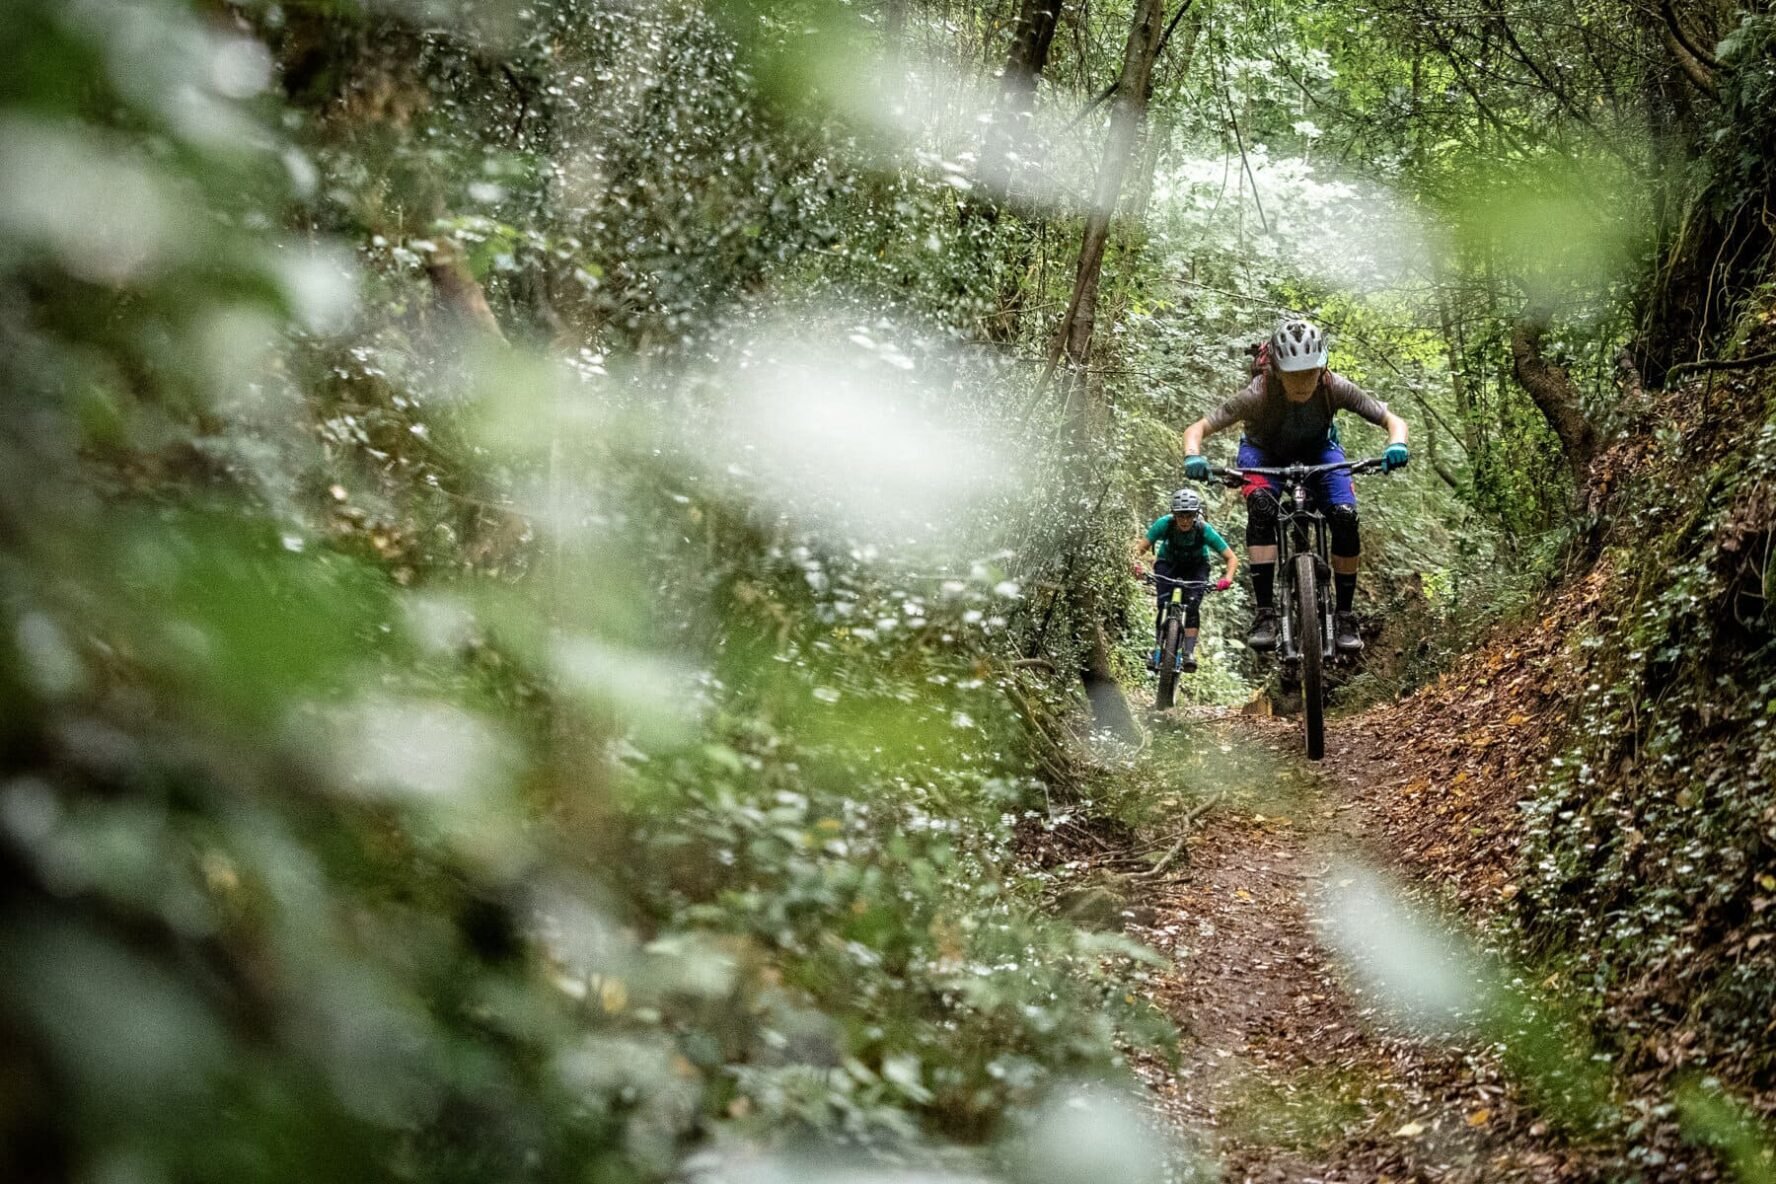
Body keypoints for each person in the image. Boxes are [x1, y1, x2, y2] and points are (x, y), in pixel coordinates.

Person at [1180, 317, 1409, 654]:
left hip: (1320, 450)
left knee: (1345, 516)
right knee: (1260, 506)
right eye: (1294, 375)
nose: (1303, 383)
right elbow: (1196, 429)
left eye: (1310, 373)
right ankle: (1265, 614)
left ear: (1322, 367)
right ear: (1276, 370)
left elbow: (1393, 421)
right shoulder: (1257, 394)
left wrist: (1396, 444)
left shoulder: (1335, 387)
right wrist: (1192, 456)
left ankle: (1345, 616)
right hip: (1263, 452)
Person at [1131, 488, 1238, 673]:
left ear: (1196, 515)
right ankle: (1158, 648)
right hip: (1168, 563)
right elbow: (1139, 550)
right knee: (1164, 603)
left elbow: (1231, 558)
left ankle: (1188, 653)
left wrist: (1227, 579)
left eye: (1189, 516)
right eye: (1181, 516)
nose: (1185, 520)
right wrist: (1136, 566)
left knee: (1193, 606)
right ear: (1174, 515)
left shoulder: (1204, 530)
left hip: (1196, 567)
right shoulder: (1164, 524)